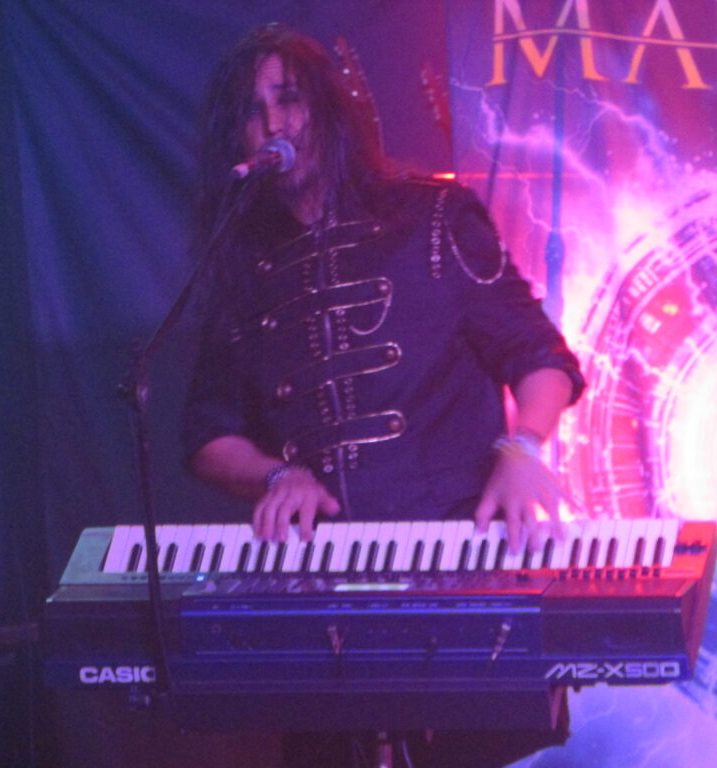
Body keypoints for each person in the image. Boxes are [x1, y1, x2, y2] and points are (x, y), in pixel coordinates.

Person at [183, 23, 584, 768]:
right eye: (253, 111)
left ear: (326, 107)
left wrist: (522, 447)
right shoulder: (242, 263)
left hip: (462, 571)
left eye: (289, 99)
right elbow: (208, 436)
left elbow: (541, 358)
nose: (274, 124)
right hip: (320, 594)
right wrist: (276, 475)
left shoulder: (433, 218)